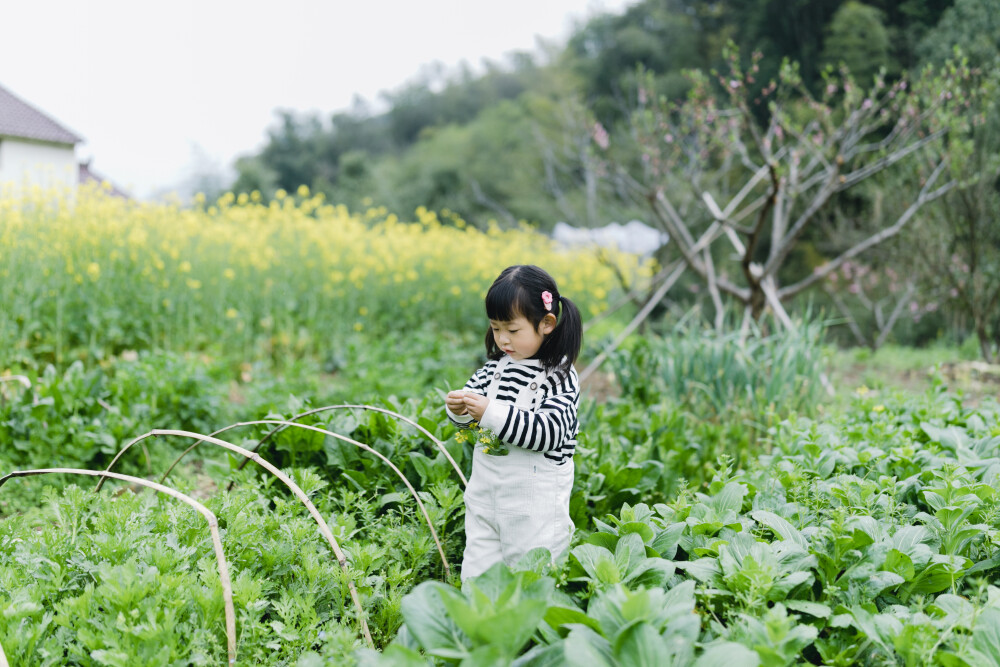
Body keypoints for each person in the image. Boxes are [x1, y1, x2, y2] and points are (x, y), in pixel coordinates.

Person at [445, 264, 583, 581]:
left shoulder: (559, 377)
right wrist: (460, 409)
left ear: (547, 323)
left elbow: (549, 433)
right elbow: (469, 419)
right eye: (496, 329)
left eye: (513, 330)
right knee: (477, 576)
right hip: (485, 499)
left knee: (530, 580)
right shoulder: (494, 368)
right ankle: (476, 627)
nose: (503, 339)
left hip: (534, 507)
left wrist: (491, 413)